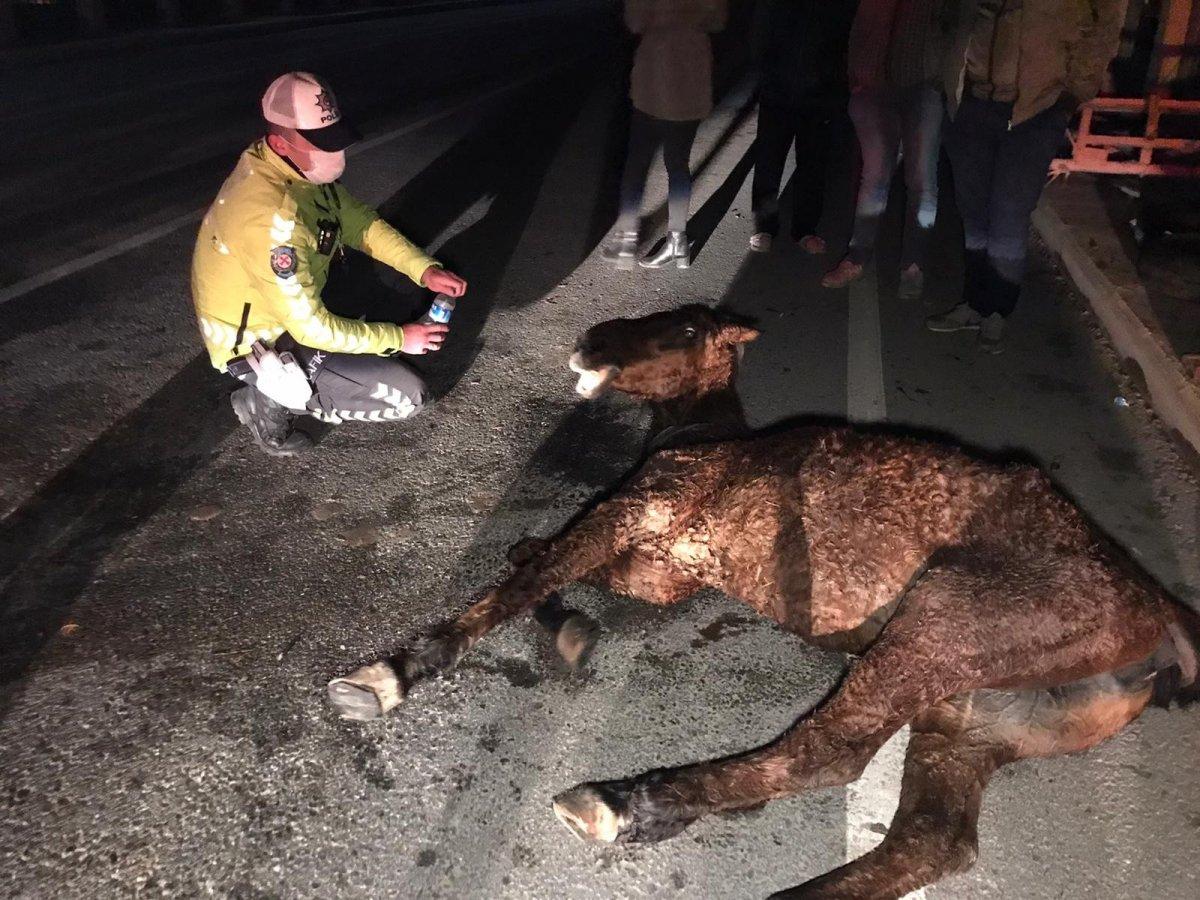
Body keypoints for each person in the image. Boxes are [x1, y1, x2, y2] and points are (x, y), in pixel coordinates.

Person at [191, 72, 466, 456]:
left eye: (335, 139)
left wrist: (423, 268)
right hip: (262, 342)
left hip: (291, 299)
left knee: (409, 298)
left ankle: (358, 349)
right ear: (279, 143)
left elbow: (358, 222)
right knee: (408, 396)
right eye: (322, 144)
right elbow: (313, 329)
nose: (336, 154)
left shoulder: (289, 168)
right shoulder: (274, 223)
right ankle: (269, 398)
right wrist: (400, 337)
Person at [927, 0, 1127, 352]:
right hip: (972, 100)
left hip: (1037, 108)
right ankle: (974, 303)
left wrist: (1073, 93)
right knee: (973, 211)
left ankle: (997, 311)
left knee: (1008, 214)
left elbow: (1106, 26)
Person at [822, 0, 950, 298]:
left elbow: (959, 28)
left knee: (923, 182)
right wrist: (855, 73)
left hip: (924, 85)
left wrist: (945, 79)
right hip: (873, 87)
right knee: (875, 177)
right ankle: (856, 256)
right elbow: (855, 21)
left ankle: (914, 265)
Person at [602, 0, 728, 270]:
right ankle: (678, 242)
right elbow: (718, 22)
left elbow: (634, 22)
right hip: (691, 82)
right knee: (678, 165)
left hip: (655, 82)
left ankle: (626, 242)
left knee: (636, 164)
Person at [748, 0, 855, 256]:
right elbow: (760, 32)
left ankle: (805, 229)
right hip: (778, 91)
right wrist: (766, 74)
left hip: (820, 95)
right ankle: (765, 225)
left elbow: (847, 39)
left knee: (813, 164)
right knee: (769, 161)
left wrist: (836, 88)